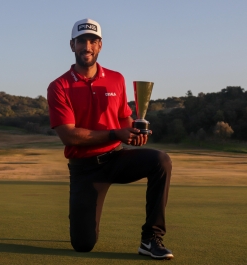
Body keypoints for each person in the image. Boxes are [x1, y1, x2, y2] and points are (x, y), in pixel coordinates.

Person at [47, 18, 173, 260]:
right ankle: (80, 219)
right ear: (72, 45)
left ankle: (151, 239)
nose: (87, 46)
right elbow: (69, 136)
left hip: (116, 158)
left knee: (161, 161)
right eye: (82, 41)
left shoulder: (116, 79)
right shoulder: (59, 86)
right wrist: (117, 133)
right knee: (83, 244)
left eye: (93, 41)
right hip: (85, 168)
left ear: (100, 45)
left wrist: (135, 131)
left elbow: (123, 118)